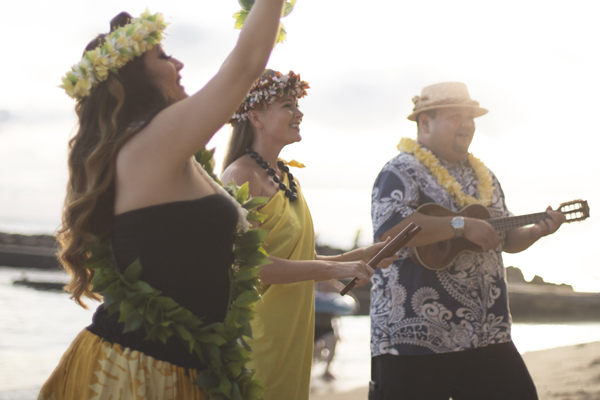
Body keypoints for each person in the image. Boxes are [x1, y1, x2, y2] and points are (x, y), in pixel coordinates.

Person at [39, 3, 286, 399]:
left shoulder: (161, 150)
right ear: (136, 78)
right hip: (138, 375)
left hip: (172, 368)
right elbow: (245, 65)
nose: (180, 63)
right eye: (164, 56)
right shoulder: (151, 144)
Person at [369, 82, 566, 400]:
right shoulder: (401, 170)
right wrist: (460, 225)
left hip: (487, 333)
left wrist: (536, 231)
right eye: (455, 116)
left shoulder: (483, 174)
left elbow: (504, 237)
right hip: (415, 340)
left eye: (471, 117)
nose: (466, 124)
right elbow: (390, 229)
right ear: (424, 122)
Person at [221, 69, 397, 400]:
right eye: (288, 105)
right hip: (258, 336)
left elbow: (299, 259)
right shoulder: (240, 175)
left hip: (293, 332)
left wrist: (359, 256)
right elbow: (253, 266)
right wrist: (337, 269)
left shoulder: (289, 179)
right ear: (255, 116)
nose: (299, 113)